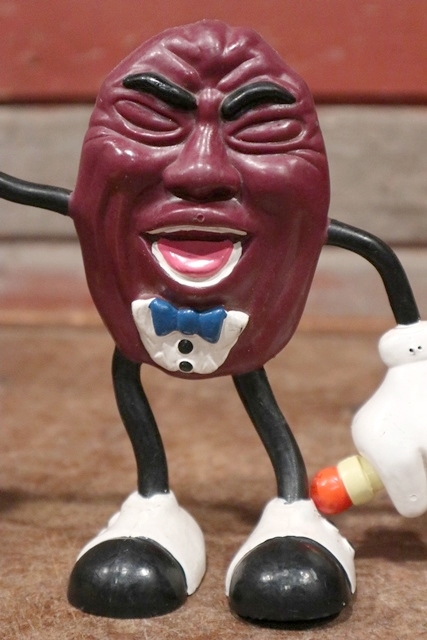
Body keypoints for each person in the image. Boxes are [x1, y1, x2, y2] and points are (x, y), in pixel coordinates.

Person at [1, 19, 427, 625]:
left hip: (250, 355)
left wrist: (415, 377)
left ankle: (291, 509)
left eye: (261, 130)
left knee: (257, 397)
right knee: (131, 383)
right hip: (136, 353)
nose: (201, 172)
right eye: (150, 122)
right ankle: (152, 502)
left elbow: (389, 278)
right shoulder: (98, 210)